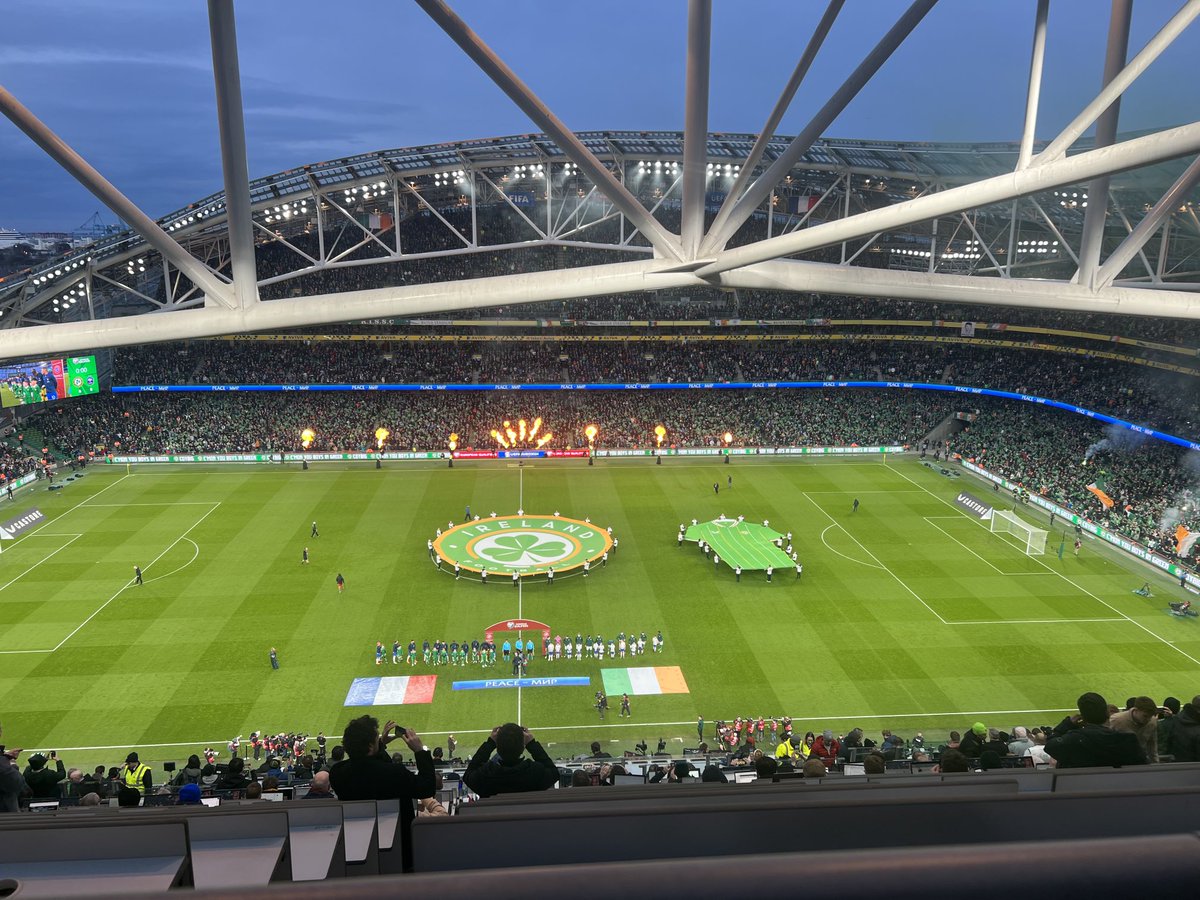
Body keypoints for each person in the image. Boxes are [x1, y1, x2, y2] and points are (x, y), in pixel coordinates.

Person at [328, 717, 434, 872]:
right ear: (370, 747)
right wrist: (420, 751)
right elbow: (427, 788)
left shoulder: (337, 774)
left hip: (358, 848)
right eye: (376, 738)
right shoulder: (394, 773)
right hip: (400, 849)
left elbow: (369, 768)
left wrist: (381, 745)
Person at [1045, 692, 1147, 768]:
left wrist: (1067, 724)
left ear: (1083, 716)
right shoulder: (1128, 740)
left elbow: (1050, 746)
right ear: (1107, 713)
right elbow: (1143, 766)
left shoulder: (1073, 740)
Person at [463, 724, 558, 798]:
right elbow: (554, 773)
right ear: (522, 747)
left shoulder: (486, 775)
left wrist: (490, 743)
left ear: (498, 748)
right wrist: (532, 744)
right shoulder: (535, 772)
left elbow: (468, 775)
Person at [1109, 696, 1160, 763]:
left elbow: (1152, 746)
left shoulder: (1152, 722)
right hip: (1118, 761)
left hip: (1140, 760)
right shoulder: (1116, 720)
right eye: (1145, 716)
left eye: (1150, 716)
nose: (1148, 720)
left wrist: (1156, 764)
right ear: (1135, 710)